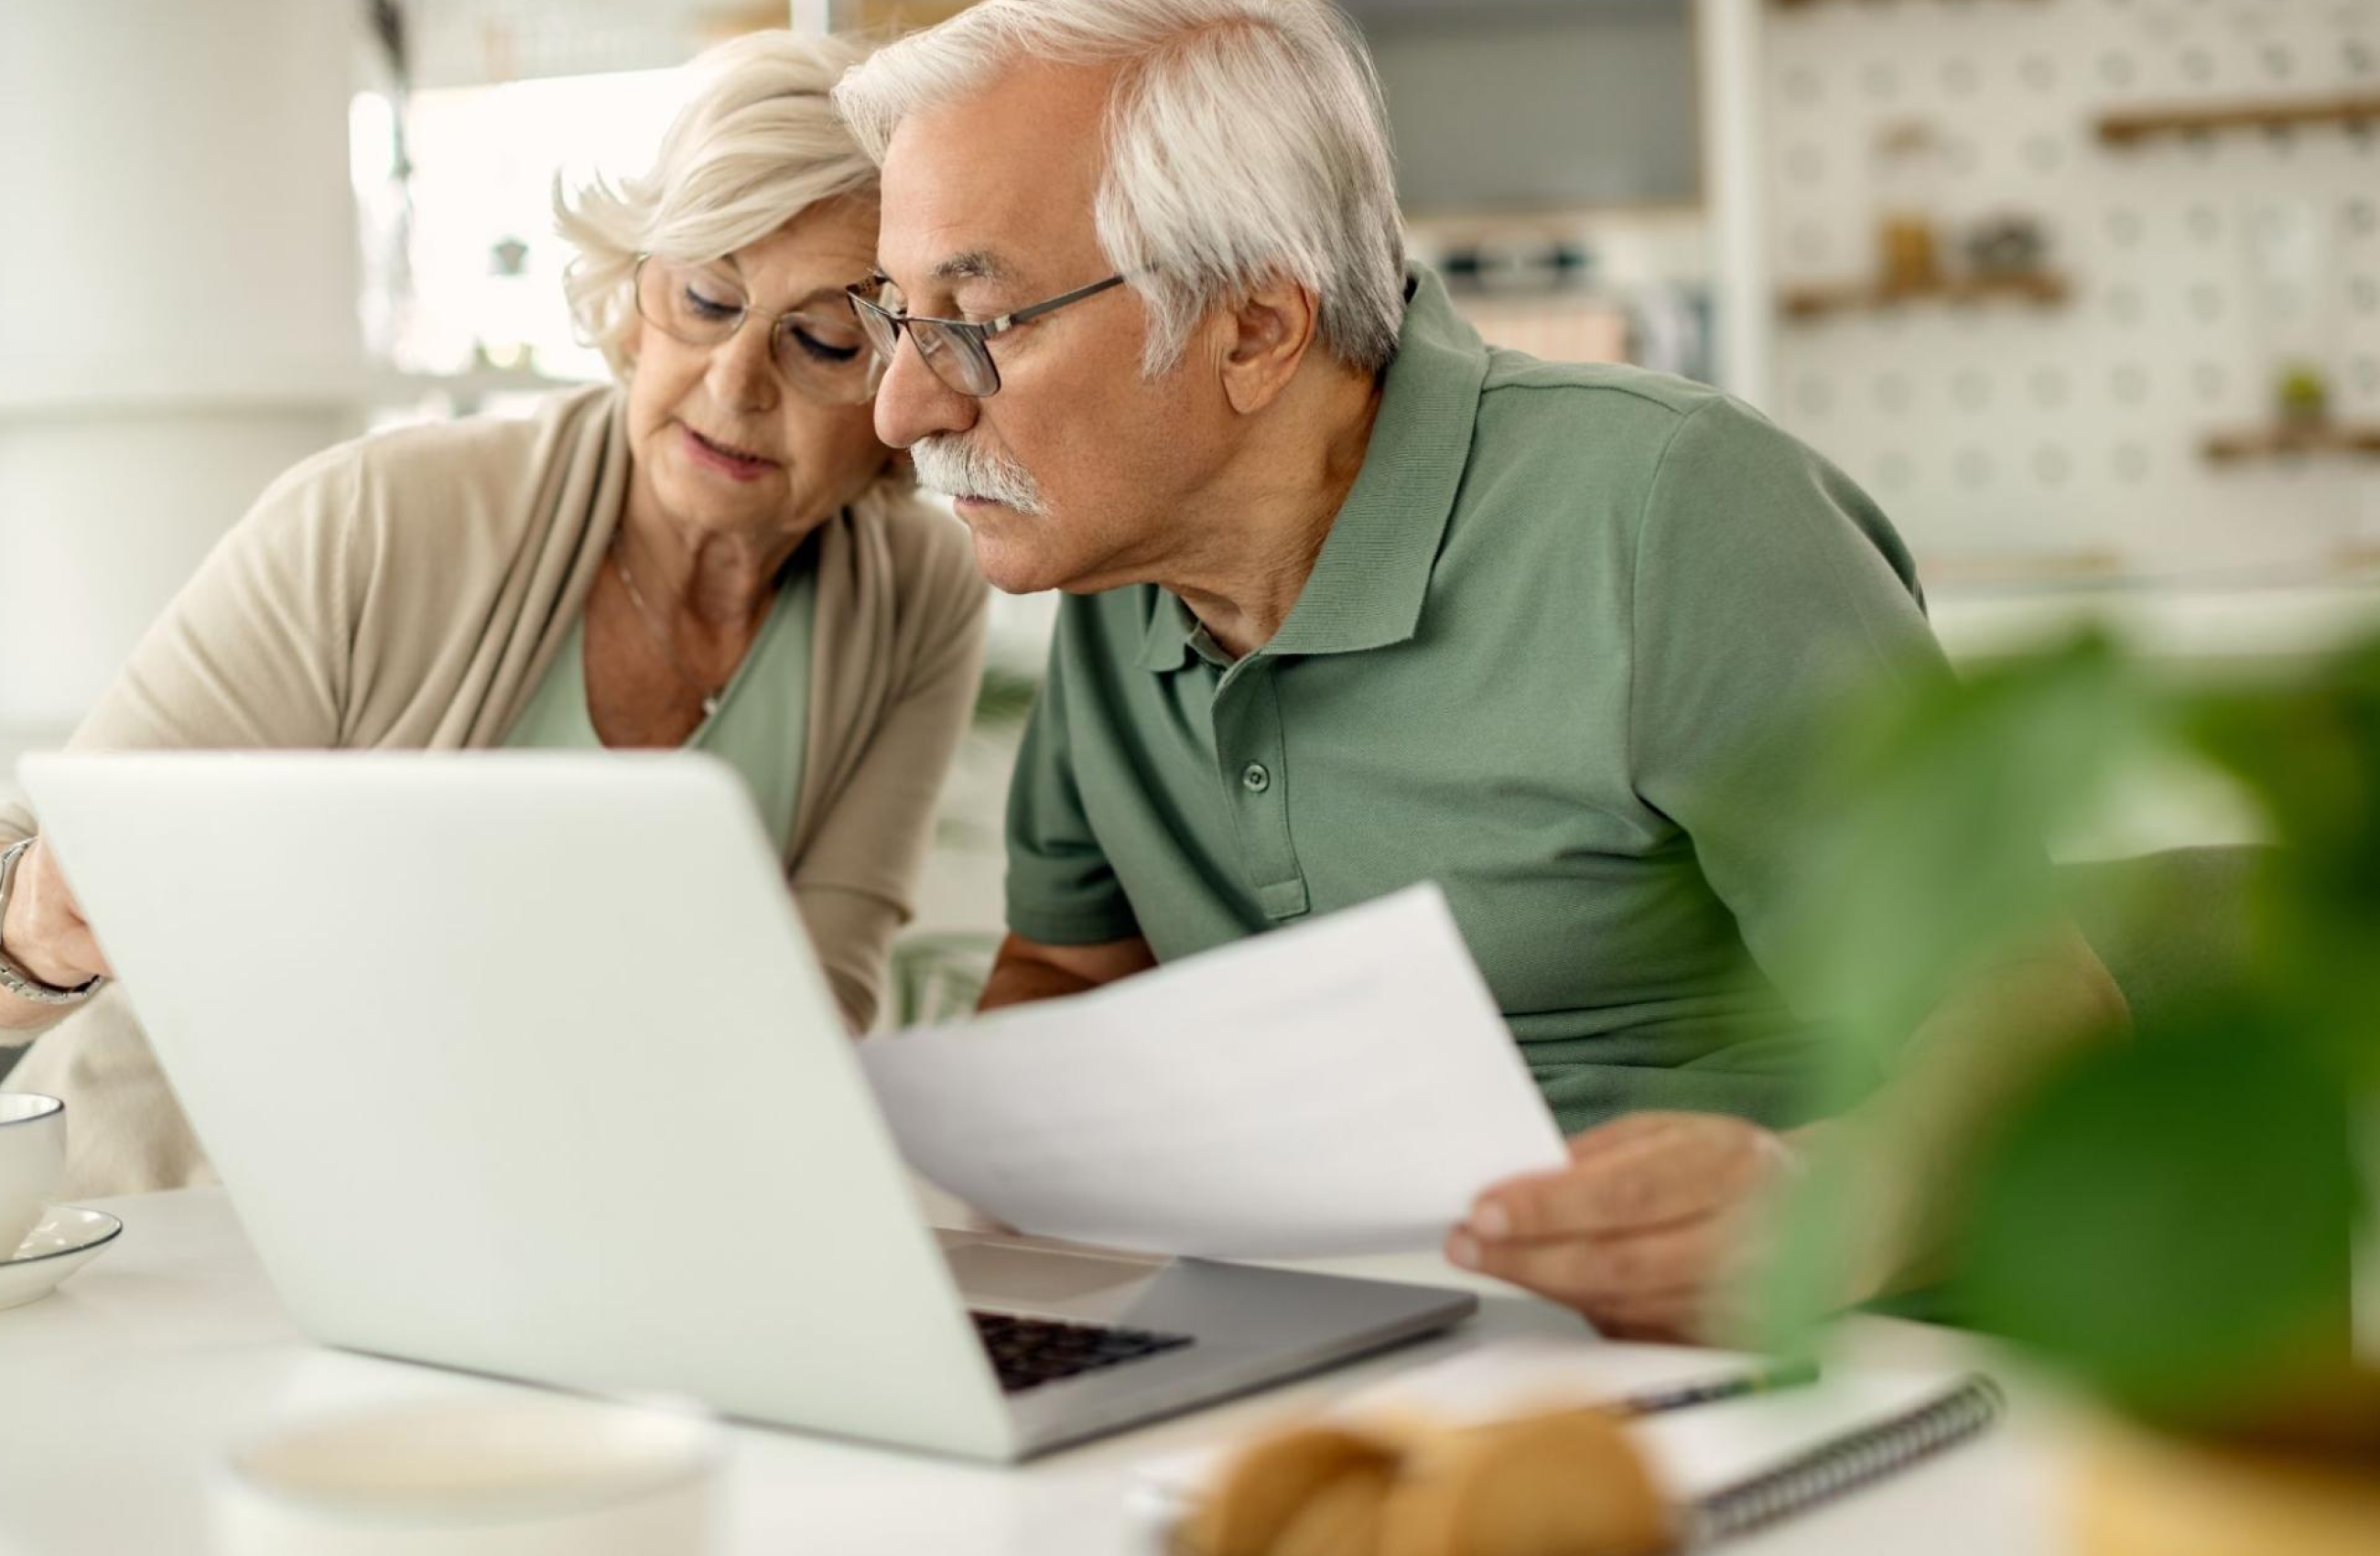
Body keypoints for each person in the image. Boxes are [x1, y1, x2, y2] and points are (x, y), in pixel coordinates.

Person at [830, 0, 2126, 1337]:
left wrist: (1814, 1206)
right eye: (897, 316)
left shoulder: (1672, 515)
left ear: (1254, 328)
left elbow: (2041, 1026)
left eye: (978, 321)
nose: (904, 406)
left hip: (1793, 1363)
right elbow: (1071, 972)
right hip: (1351, 1347)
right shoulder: (1110, 564)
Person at [0, 31, 986, 1197]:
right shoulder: (373, 518)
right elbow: (56, 890)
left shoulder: (917, 593)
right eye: (706, 296)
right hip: (193, 1226)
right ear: (631, 300)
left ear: (904, 375)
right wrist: (38, 935)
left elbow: (814, 1008)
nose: (732, 382)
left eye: (822, 338)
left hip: (585, 1235)